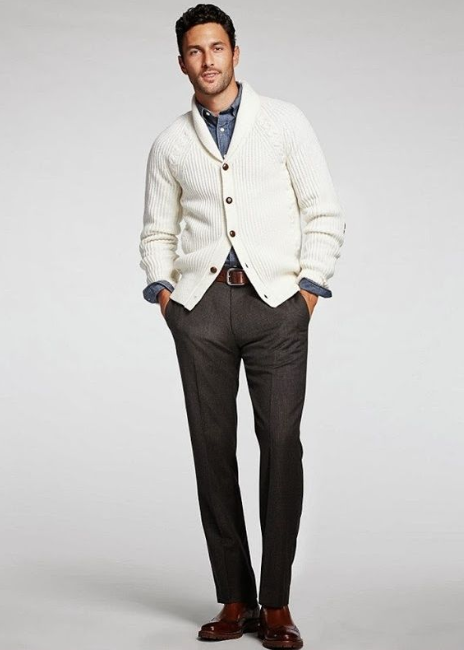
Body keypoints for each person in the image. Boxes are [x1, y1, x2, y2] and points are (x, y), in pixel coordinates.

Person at [139, 4, 345, 647]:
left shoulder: (284, 122)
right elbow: (157, 231)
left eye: (217, 47)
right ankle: (234, 597)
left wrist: (308, 291)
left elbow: (322, 211)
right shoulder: (170, 144)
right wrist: (166, 296)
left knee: (281, 445)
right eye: (194, 51)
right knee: (212, 449)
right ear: (182, 62)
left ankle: (275, 602)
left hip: (277, 305)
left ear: (235, 52)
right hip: (201, 309)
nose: (207, 60)